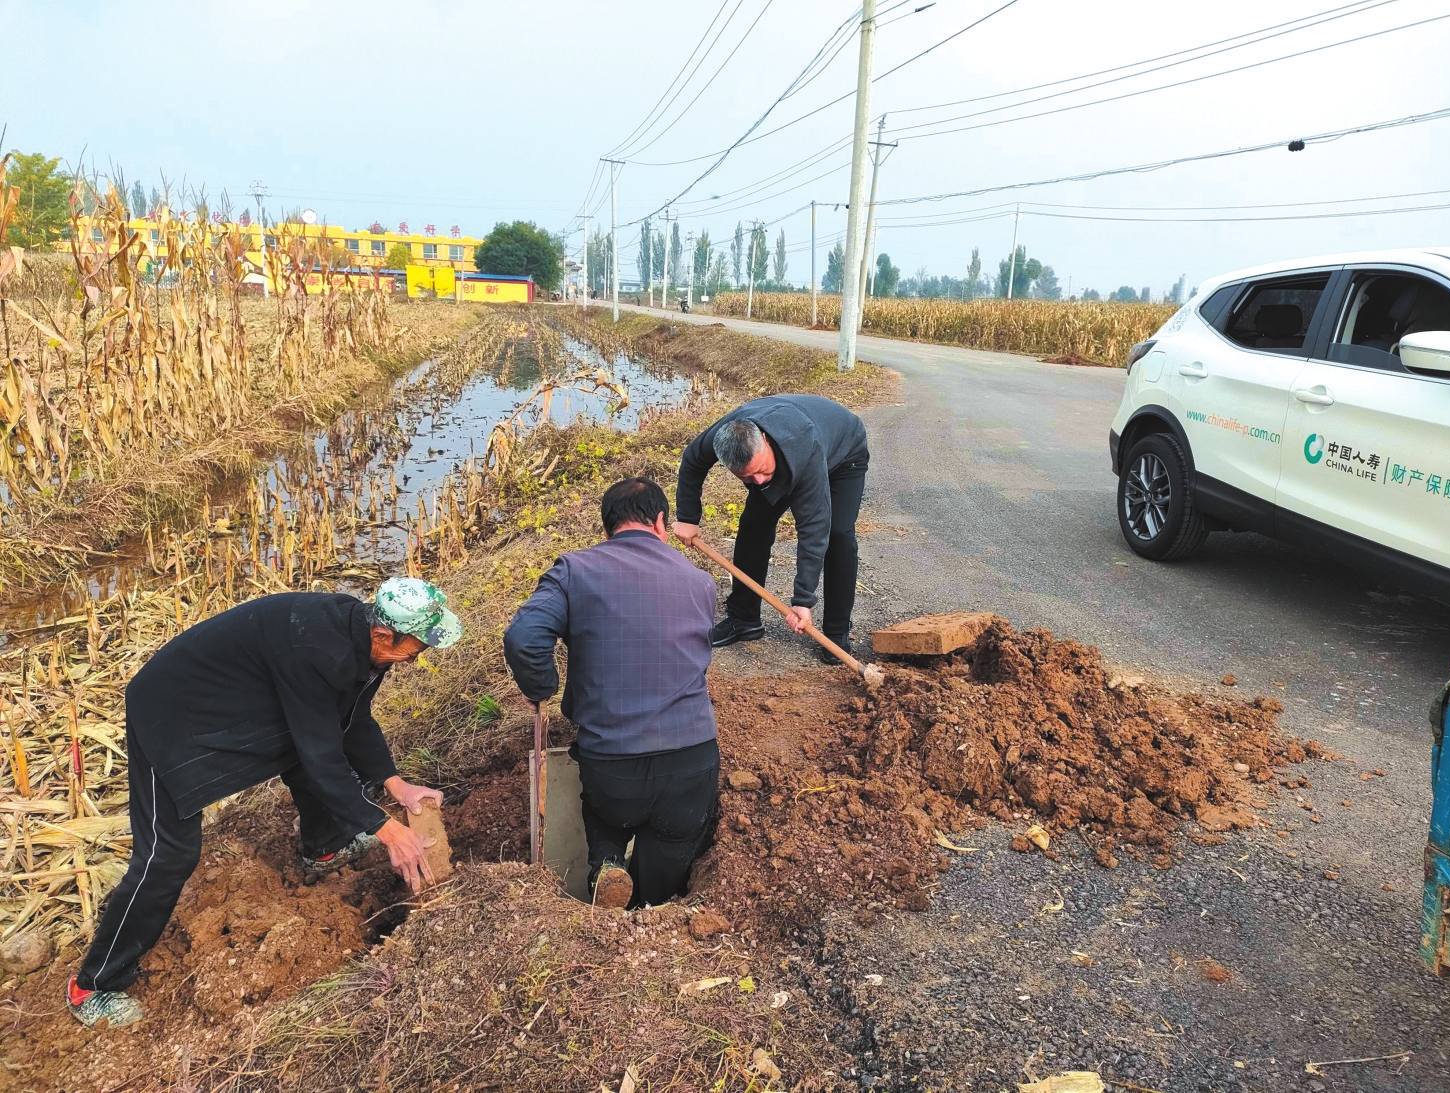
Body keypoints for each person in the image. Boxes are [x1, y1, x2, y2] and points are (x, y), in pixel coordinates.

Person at [65, 577, 463, 1030]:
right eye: (416, 647)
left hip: (233, 696)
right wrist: (387, 830)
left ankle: (324, 849)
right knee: (168, 855)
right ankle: (93, 984)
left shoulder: (365, 644)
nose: (417, 658)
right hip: (170, 713)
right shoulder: (319, 651)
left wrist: (396, 786)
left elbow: (349, 720)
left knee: (309, 743)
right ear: (383, 633)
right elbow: (323, 759)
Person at [503, 477, 719, 911]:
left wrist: (541, 687)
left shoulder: (574, 570)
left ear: (606, 529)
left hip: (613, 763)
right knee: (671, 855)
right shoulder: (701, 582)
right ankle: (649, 913)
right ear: (661, 522)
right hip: (691, 760)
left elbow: (524, 638)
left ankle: (606, 865)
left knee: (605, 816)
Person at [673, 394, 869, 662]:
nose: (759, 481)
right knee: (754, 526)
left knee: (838, 534)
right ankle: (744, 618)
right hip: (789, 450)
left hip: (843, 452)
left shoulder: (804, 446)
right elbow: (693, 460)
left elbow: (813, 527)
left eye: (762, 471)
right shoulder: (724, 435)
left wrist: (802, 600)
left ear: (764, 440)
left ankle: (836, 631)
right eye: (747, 477)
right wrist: (687, 517)